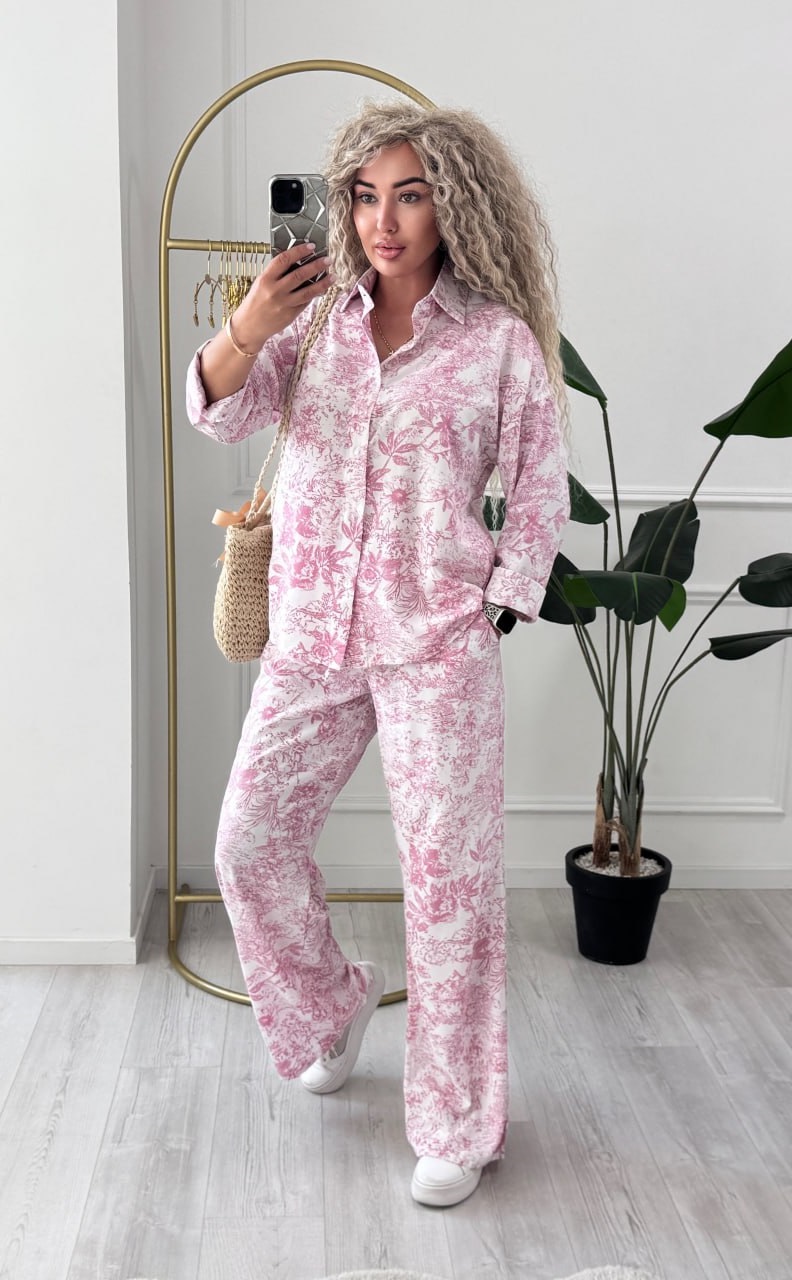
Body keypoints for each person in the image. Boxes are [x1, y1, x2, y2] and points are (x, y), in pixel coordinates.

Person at [186, 100, 570, 1208]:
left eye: (409, 195)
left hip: (434, 645)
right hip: (310, 632)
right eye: (364, 196)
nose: (384, 221)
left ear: (454, 205)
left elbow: (538, 481)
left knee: (449, 892)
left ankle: (456, 1122)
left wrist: (500, 604)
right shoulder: (310, 322)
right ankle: (328, 1002)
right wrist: (250, 321)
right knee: (249, 843)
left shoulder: (495, 342)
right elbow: (219, 414)